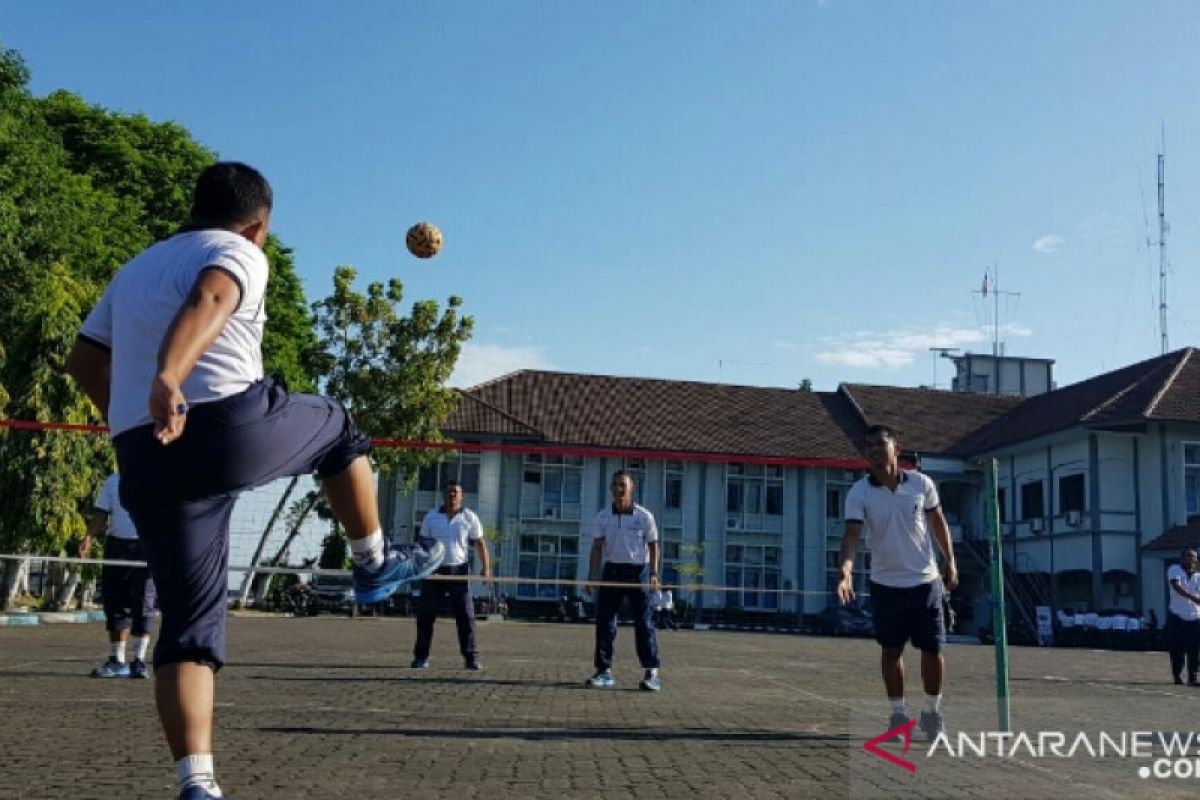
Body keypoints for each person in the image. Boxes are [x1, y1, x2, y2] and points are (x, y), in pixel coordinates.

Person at [65, 162, 444, 800]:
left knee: (187, 630)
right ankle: (375, 562)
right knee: (341, 429)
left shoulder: (135, 269)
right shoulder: (237, 249)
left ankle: (197, 783)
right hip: (225, 427)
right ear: (259, 224)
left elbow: (83, 360)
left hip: (149, 458)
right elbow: (212, 296)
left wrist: (134, 419)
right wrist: (169, 377)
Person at [836, 424, 958, 739]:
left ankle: (931, 712)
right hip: (885, 584)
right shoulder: (859, 493)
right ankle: (898, 714)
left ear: (896, 449)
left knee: (933, 649)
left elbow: (938, 523)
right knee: (891, 651)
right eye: (869, 447)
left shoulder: (921, 484)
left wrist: (951, 562)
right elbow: (851, 536)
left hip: (925, 582)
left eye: (881, 444)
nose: (875, 451)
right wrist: (846, 571)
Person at [584, 469, 662, 691]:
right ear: (611, 489)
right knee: (605, 621)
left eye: (623, 485)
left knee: (643, 622)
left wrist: (654, 574)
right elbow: (597, 549)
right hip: (612, 572)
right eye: (616, 485)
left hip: (638, 572)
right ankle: (604, 671)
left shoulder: (644, 516)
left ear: (632, 488)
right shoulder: (602, 517)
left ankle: (652, 672)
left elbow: (654, 546)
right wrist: (592, 576)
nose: (619, 489)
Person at [79, 472, 157, 679]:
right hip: (117, 546)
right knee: (114, 602)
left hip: (147, 546)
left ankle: (139, 661)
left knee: (144, 602)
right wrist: (89, 538)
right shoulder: (113, 481)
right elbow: (100, 514)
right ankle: (117, 661)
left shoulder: (159, 476)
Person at [411, 481, 490, 670]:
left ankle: (471, 658)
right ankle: (421, 657)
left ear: (462, 497)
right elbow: (422, 544)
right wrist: (418, 567)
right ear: (443, 495)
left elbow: (480, 543)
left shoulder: (469, 517)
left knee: (466, 616)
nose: (452, 495)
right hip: (434, 571)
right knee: (425, 616)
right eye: (449, 492)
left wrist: (486, 568)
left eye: (456, 492)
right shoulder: (431, 517)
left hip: (459, 571)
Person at [1166, 547, 1200, 686]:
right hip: (1177, 616)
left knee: (1195, 649)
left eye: (1194, 557)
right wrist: (1193, 597)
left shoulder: (1198, 576)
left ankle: (1193, 677)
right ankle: (1177, 675)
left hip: (1195, 616)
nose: (1192, 559)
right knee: (1177, 648)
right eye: (1189, 556)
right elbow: (1176, 586)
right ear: (1182, 558)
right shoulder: (1174, 569)